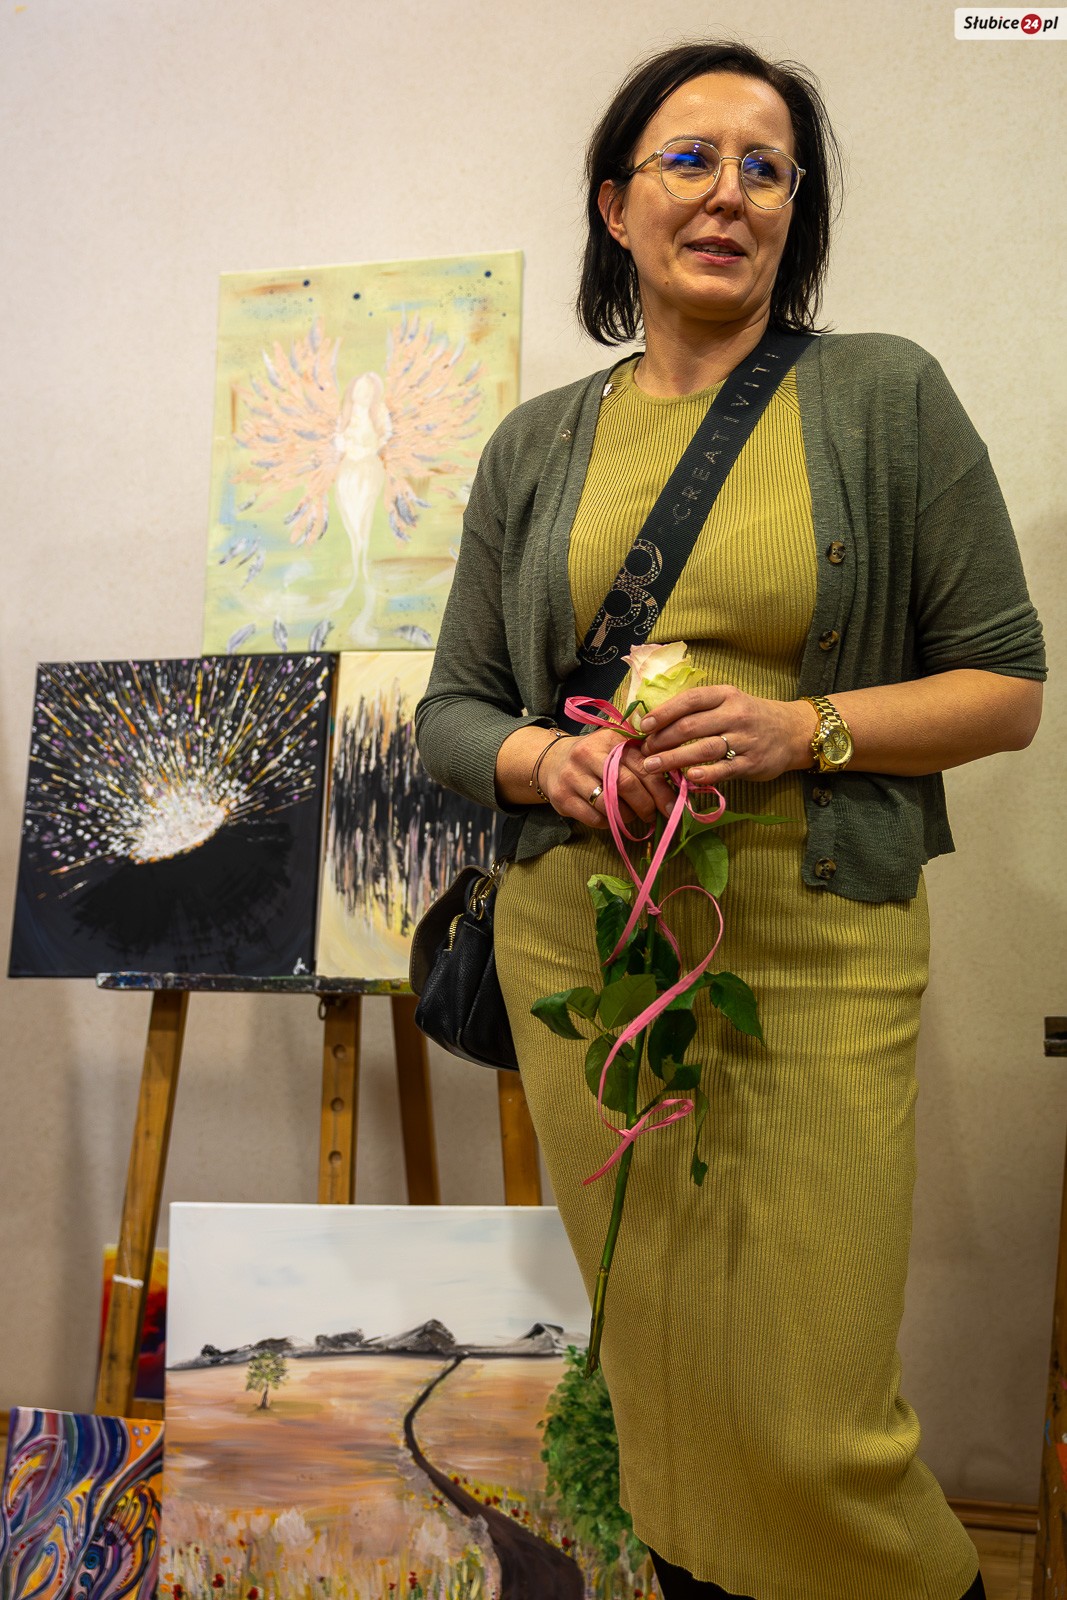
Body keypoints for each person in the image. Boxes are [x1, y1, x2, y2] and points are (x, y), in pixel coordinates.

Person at [415, 39, 1045, 1600]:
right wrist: (546, 767)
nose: (731, 194)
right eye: (691, 159)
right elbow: (454, 712)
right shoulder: (535, 445)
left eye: (768, 169)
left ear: (794, 213)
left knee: (817, 1420)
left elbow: (1007, 685)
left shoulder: (882, 396)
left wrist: (800, 729)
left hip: (816, 948)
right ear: (615, 204)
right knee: (664, 1383)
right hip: (586, 962)